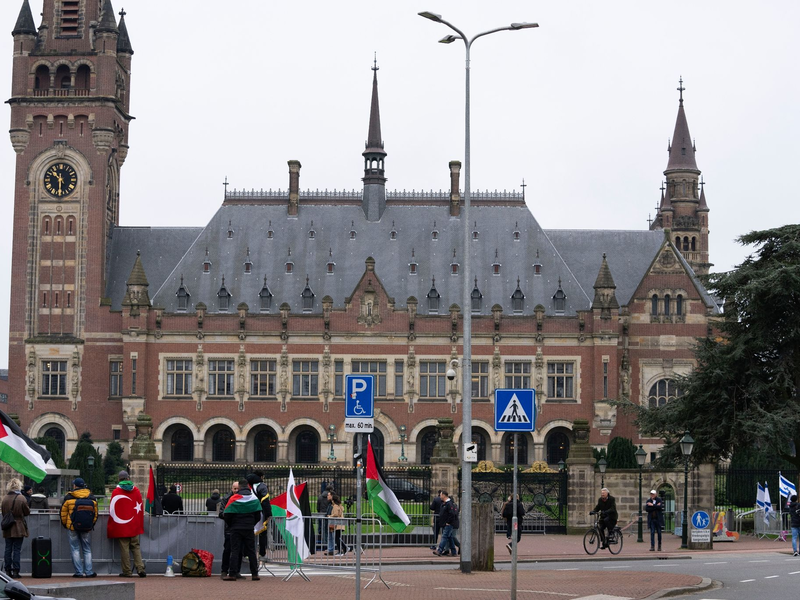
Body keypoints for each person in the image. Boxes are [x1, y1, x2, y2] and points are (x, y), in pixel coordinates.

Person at [107, 471, 146, 577]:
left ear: (119, 479)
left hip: (122, 526)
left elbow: (112, 509)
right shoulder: (136, 490)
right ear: (128, 478)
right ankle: (140, 568)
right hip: (134, 525)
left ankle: (127, 571)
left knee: (124, 549)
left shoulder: (116, 491)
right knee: (135, 547)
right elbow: (140, 508)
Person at [222, 479, 261, 581]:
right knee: (251, 551)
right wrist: (251, 523)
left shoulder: (234, 498)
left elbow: (227, 514)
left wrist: (232, 524)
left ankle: (232, 574)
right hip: (248, 528)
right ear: (248, 486)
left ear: (239, 487)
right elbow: (258, 515)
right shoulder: (253, 498)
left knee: (235, 551)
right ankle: (255, 574)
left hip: (236, 528)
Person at [60, 477, 97, 578]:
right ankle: (89, 572)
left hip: (72, 527)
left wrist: (65, 524)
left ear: (75, 486)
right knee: (87, 549)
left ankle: (79, 572)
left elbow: (63, 513)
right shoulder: (91, 497)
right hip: (86, 527)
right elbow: (95, 514)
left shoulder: (69, 497)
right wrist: (91, 524)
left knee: (75, 549)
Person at [2, 478, 30, 579]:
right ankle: (16, 571)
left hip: (8, 526)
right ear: (19, 486)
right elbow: (27, 512)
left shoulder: (5, 498)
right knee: (17, 549)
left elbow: (4, 512)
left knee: (8, 549)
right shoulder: (22, 498)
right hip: (19, 526)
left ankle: (7, 570)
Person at [219, 481, 242, 580]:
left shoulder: (243, 498)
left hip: (239, 527)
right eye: (234, 489)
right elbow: (221, 513)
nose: (236, 491)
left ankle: (237, 571)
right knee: (227, 549)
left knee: (240, 550)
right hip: (230, 528)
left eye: (238, 489)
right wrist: (229, 517)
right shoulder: (226, 498)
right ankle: (224, 570)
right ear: (232, 488)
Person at [246, 471, 272, 557]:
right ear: (260, 477)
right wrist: (268, 514)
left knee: (249, 533)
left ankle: (247, 553)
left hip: (248, 512)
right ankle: (262, 553)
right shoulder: (262, 486)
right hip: (259, 512)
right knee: (262, 533)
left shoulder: (248, 485)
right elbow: (265, 501)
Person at [434, 491, 459, 557]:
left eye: (441, 495)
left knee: (444, 536)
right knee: (450, 537)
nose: (440, 496)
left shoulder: (449, 504)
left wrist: (448, 522)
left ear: (444, 495)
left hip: (448, 524)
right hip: (445, 523)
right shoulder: (444, 504)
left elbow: (452, 514)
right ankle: (454, 552)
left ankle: (440, 550)